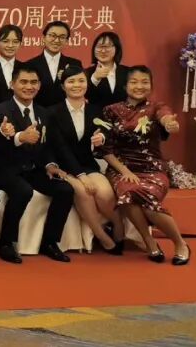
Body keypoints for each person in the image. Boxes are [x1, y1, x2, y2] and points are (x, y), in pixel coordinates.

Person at [95, 66, 190, 265]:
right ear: (125, 86)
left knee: (148, 202)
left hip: (152, 168)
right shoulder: (111, 110)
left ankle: (180, 243)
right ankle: (149, 242)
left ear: (151, 86)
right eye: (134, 82)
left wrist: (169, 123)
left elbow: (165, 117)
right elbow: (105, 150)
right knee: (128, 191)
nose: (139, 86)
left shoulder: (156, 107)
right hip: (120, 168)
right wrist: (125, 171)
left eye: (145, 82)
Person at [0, 64, 74, 264]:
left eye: (33, 82)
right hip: (4, 169)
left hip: (33, 169)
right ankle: (6, 243)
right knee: (23, 191)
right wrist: (20, 137)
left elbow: (48, 145)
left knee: (65, 190)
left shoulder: (44, 113)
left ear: (40, 85)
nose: (29, 86)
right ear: (12, 84)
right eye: (23, 82)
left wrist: (50, 164)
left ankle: (49, 242)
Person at [43, 66, 125, 255]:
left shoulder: (96, 110)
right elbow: (60, 148)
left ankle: (118, 224)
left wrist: (101, 137)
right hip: (62, 166)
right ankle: (103, 237)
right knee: (83, 191)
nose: (76, 85)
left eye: (81, 80)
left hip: (87, 163)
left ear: (87, 84)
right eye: (71, 81)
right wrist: (81, 176)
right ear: (63, 86)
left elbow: (106, 130)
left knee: (104, 193)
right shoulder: (52, 112)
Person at [25, 21, 83, 108]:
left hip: (66, 112)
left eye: (62, 37)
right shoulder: (29, 64)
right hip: (38, 112)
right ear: (43, 38)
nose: (56, 40)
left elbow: (80, 90)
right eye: (52, 35)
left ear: (66, 41)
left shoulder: (74, 64)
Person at [87, 32, 129, 106]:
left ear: (116, 48)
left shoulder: (128, 72)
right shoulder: (86, 73)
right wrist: (95, 78)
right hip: (97, 113)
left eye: (107, 47)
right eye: (99, 47)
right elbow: (85, 96)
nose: (103, 51)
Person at [0, 24, 24, 106]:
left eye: (15, 42)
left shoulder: (26, 68)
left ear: (20, 44)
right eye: (5, 41)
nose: (10, 45)